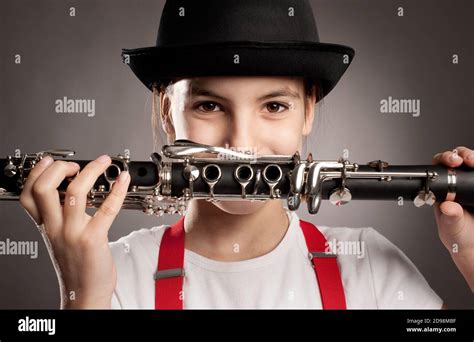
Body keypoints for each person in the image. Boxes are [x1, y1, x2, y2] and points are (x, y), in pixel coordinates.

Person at [19, 0, 474, 309]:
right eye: (209, 105)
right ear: (165, 110)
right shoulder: (108, 274)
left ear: (308, 110)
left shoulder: (371, 265)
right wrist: (83, 299)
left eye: (274, 106)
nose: (241, 143)